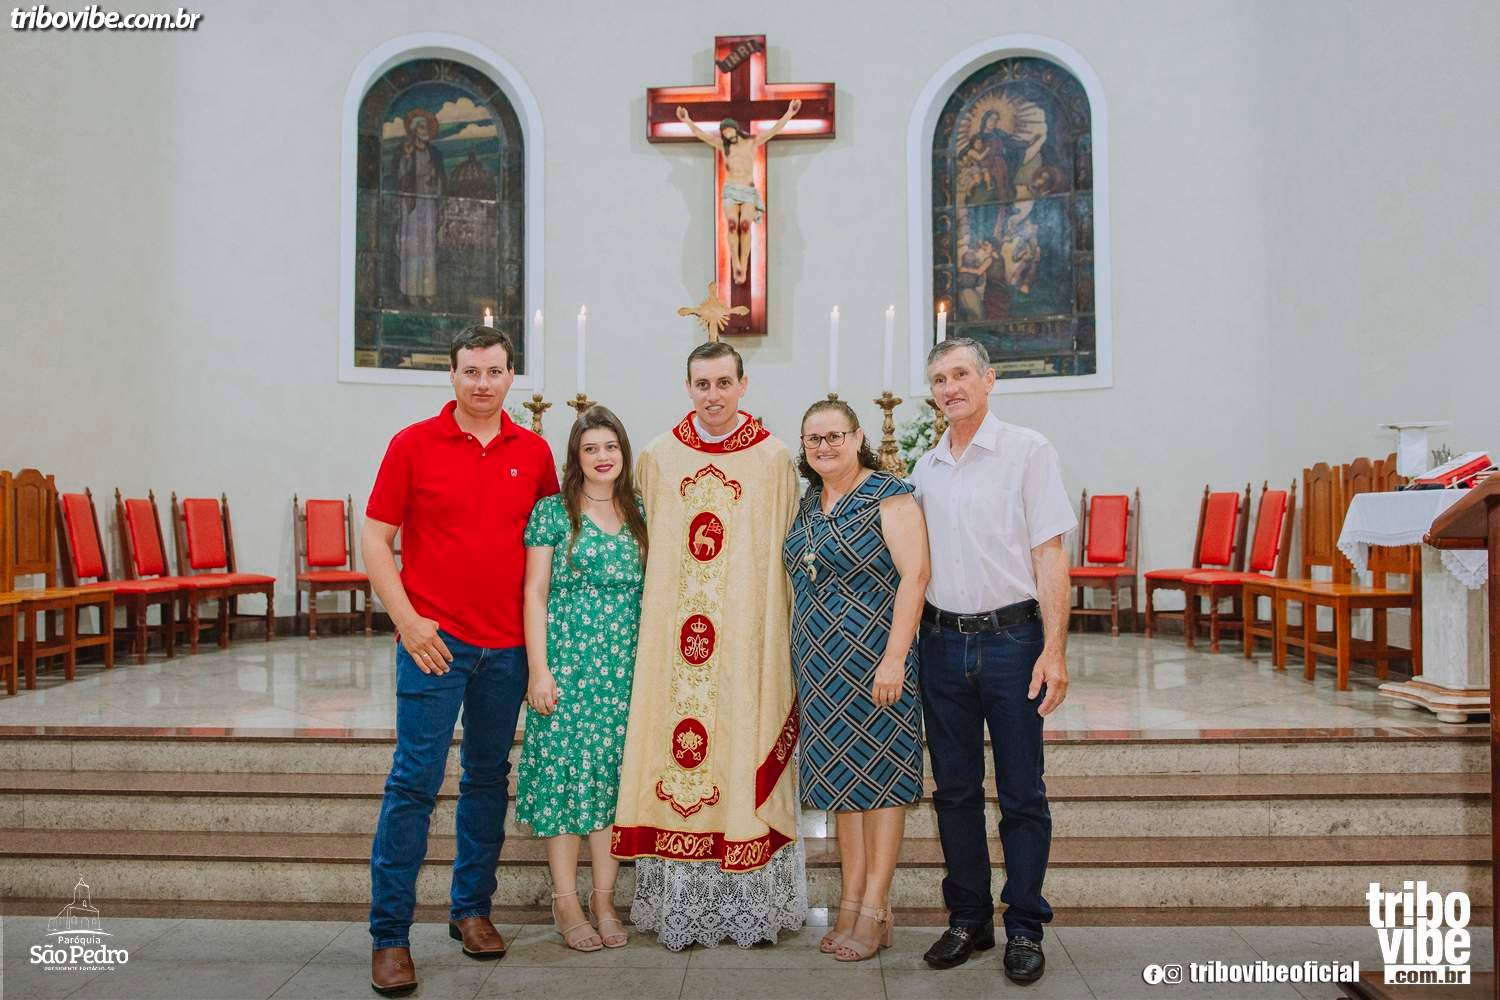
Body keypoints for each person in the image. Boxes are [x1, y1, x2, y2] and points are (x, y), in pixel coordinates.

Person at [364, 326, 558, 997]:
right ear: (451, 375)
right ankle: (389, 936)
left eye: (494, 371)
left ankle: (471, 910)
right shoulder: (412, 444)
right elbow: (375, 539)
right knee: (414, 783)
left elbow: (547, 549)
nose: (482, 382)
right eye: (471, 371)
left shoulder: (533, 453)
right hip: (434, 646)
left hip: (506, 649)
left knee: (486, 780)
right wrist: (408, 620)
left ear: (511, 377)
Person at [611, 340, 806, 951]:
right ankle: (681, 902)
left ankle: (749, 902)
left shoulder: (774, 460)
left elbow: (785, 561)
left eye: (724, 383)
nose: (713, 395)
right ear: (687, 387)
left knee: (739, 751)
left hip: (744, 650)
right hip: (672, 651)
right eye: (702, 384)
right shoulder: (657, 458)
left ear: (743, 385)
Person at [908, 337, 1075, 986]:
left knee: (1021, 794)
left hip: (1013, 642)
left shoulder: (1028, 451)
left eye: (960, 375)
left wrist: (1054, 650)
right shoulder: (924, 468)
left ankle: (1025, 926)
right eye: (938, 379)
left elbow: (1050, 555)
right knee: (953, 792)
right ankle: (969, 919)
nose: (950, 387)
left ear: (988, 379)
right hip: (942, 644)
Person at [782, 400, 929, 963]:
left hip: (875, 660)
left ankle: (874, 907)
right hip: (820, 667)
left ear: (858, 436)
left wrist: (895, 658)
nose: (824, 447)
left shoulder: (889, 495)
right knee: (842, 786)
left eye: (834, 436)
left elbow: (915, 576)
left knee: (881, 782)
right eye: (813, 438)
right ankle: (851, 901)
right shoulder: (807, 504)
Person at [516, 406, 647, 952]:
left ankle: (604, 900)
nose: (602, 456)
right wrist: (538, 670)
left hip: (623, 672)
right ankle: (566, 902)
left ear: (623, 452)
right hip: (567, 668)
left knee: (611, 788)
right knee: (564, 785)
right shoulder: (554, 511)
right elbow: (534, 594)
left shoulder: (640, 510)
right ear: (576, 457)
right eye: (591, 448)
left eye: (610, 446)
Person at [675, 100, 801, 284]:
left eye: (727, 129)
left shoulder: (752, 142)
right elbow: (700, 134)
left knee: (745, 225)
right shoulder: (722, 146)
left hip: (748, 191)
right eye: (723, 132)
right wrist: (687, 120)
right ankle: (736, 265)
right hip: (731, 190)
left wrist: (789, 113)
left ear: (735, 128)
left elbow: (774, 130)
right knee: (733, 224)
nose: (725, 133)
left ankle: (744, 263)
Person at [393, 107, 445, 308]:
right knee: (412, 247)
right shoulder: (405, 151)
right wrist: (406, 159)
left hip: (429, 202)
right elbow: (400, 177)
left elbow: (440, 178)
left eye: (427, 127)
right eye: (422, 127)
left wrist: (435, 181)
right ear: (414, 130)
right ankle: (411, 291)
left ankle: (428, 291)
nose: (425, 131)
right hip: (411, 205)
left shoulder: (434, 153)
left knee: (428, 246)